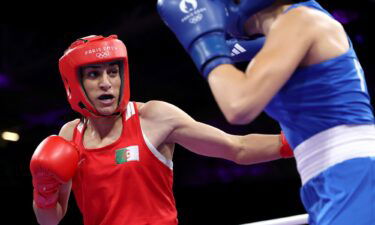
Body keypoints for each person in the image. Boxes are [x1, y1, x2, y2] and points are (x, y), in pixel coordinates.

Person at [29, 35, 293, 225]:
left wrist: (302, 142)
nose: (107, 83)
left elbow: (238, 148)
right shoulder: (68, 136)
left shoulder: (154, 117)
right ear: (74, 83)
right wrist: (44, 191)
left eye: (113, 72)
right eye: (94, 75)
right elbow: (49, 221)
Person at [157, 0, 375, 224]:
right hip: (324, 177)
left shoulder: (301, 19)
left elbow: (238, 106)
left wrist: (204, 42)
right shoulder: (282, 38)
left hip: (352, 169)